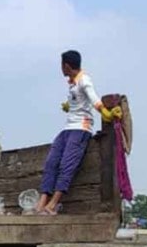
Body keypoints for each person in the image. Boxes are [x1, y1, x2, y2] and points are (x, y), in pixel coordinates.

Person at [35, 50, 116, 215]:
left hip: (81, 128)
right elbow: (79, 99)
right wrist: (69, 105)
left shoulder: (84, 80)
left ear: (66, 65)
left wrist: (106, 113)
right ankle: (42, 203)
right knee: (51, 162)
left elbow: (94, 99)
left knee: (66, 165)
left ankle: (53, 204)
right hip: (68, 128)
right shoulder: (73, 82)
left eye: (61, 65)